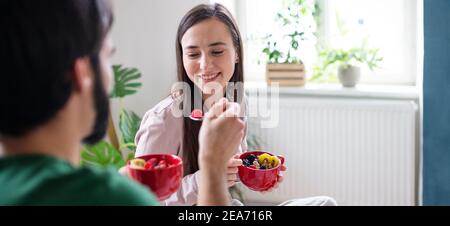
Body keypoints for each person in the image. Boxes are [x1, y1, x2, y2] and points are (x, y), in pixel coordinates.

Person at [0, 0, 244, 206]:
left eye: (217, 51)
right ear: (81, 74)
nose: (204, 64)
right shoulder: (114, 196)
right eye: (108, 57)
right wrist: (210, 174)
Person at [132, 3, 337, 206]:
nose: (204, 65)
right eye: (193, 54)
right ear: (182, 57)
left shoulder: (236, 101)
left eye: (217, 51)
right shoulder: (163, 119)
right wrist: (207, 177)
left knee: (325, 203)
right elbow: (141, 199)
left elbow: (232, 168)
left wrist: (258, 175)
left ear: (237, 52)